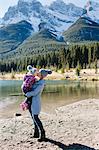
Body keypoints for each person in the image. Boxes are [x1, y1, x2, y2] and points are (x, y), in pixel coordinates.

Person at [25, 69, 52, 142]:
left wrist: (27, 94)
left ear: (42, 75)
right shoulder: (37, 81)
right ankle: (36, 133)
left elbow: (35, 92)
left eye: (39, 73)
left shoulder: (41, 83)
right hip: (31, 101)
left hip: (35, 102)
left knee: (36, 117)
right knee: (33, 118)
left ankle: (42, 134)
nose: (38, 73)